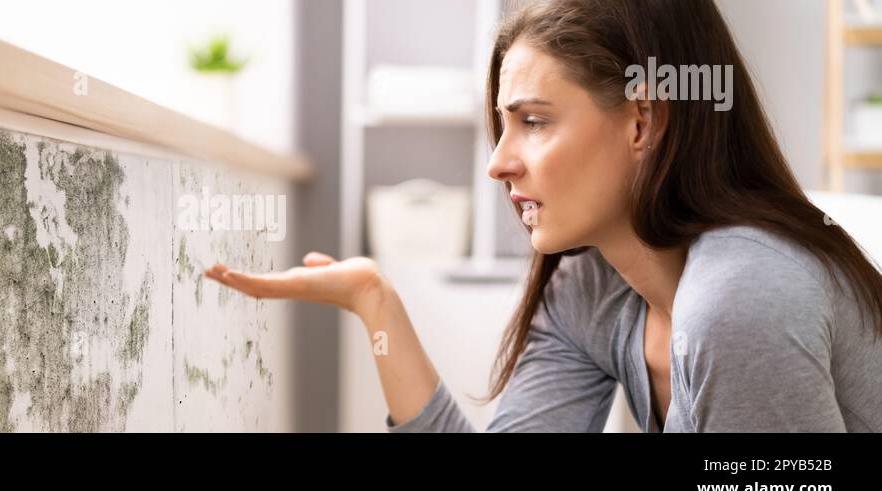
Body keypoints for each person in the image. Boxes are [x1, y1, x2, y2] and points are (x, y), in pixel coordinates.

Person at [205, 0, 882, 432]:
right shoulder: (592, 292)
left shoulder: (742, 302)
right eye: (501, 127)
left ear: (643, 119)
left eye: (533, 122)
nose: (498, 163)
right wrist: (376, 307)